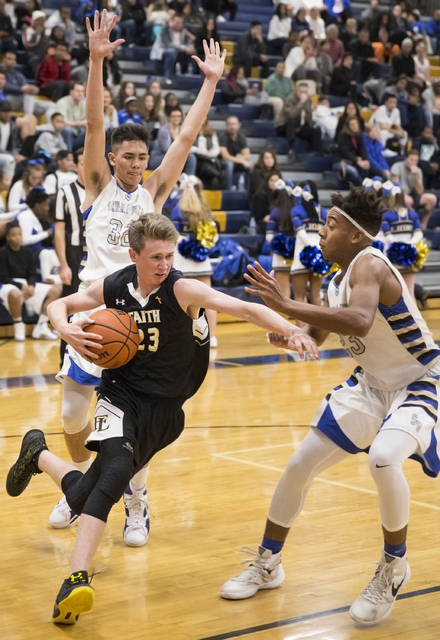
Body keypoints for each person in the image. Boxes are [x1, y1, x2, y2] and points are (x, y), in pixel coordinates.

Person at [6, 212, 318, 624]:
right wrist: (65, 329)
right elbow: (59, 304)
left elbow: (243, 308)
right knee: (115, 472)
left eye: (169, 255)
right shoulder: (116, 286)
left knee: (87, 492)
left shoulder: (182, 288)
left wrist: (291, 329)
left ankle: (38, 453)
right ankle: (76, 579)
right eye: (155, 257)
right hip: (119, 396)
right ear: (134, 254)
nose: (164, 265)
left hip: (166, 412)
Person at [220, 185, 440, 628]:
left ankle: (394, 566)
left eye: (331, 224)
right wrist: (292, 334)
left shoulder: (371, 265)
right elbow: (319, 331)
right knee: (300, 463)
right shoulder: (342, 276)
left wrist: (286, 302)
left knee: (382, 459)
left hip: (418, 382)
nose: (321, 231)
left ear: (356, 235)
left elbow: (359, 320)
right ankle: (268, 563)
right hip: (371, 385)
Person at [49, 11, 227, 543]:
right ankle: (80, 486)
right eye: (128, 157)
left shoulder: (154, 190)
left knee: (134, 425)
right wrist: (95, 60)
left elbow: (188, 136)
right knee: (72, 413)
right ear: (110, 160)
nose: (136, 163)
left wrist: (210, 82)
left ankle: (136, 502)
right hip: (92, 315)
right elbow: (94, 124)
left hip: (139, 319)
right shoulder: (97, 183)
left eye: (141, 157)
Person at [170, 176, 219, 345]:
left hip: (182, 261)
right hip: (202, 261)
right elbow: (213, 238)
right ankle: (211, 337)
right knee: (210, 299)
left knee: (183, 300)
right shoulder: (205, 212)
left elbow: (173, 237)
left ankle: (185, 338)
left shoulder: (177, 210)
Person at [0, 220, 60, 340]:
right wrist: (22, 286)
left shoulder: (27, 252)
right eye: (14, 235)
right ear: (8, 237)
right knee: (14, 294)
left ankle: (41, 326)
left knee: (55, 290)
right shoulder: (2, 252)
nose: (17, 237)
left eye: (19, 234)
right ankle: (18, 325)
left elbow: (31, 274)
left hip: (27, 283)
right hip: (9, 284)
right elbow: (4, 277)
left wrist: (31, 286)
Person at [289, 182, 327, 316]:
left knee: (299, 298)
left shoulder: (296, 210)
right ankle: (318, 331)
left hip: (302, 256)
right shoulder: (323, 211)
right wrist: (318, 251)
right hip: (319, 257)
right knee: (316, 295)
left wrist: (310, 248)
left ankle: (301, 332)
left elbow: (300, 232)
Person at [381, 180, 423, 299]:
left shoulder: (387, 215)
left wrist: (404, 245)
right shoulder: (411, 213)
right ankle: (414, 317)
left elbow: (388, 236)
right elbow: (418, 233)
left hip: (396, 253)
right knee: (409, 291)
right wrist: (409, 244)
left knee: (396, 291)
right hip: (405, 253)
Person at [391, 150, 437, 230]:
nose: (413, 163)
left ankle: (423, 226)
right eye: (411, 160)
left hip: (412, 194)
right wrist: (404, 195)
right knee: (408, 200)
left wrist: (415, 176)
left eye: (415, 161)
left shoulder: (418, 171)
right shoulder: (397, 166)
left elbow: (420, 191)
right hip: (398, 194)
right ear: (406, 159)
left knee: (432, 199)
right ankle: (411, 226)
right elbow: (395, 186)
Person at [2, 51, 55, 120]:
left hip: (23, 103)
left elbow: (26, 86)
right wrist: (22, 89)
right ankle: (28, 118)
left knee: (51, 105)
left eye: (14, 60)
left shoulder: (18, 75)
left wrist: (35, 89)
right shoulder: (1, 72)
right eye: (9, 59)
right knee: (27, 93)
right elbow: (4, 86)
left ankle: (49, 128)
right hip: (6, 100)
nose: (12, 62)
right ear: (4, 60)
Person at [265, 180, 295, 302]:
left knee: (283, 294)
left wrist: (280, 245)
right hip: (298, 256)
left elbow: (269, 237)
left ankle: (284, 321)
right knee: (300, 295)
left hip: (280, 257)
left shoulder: (275, 212)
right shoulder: (297, 211)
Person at [149, 107, 197, 176]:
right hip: (159, 158)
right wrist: (176, 139)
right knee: (176, 158)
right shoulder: (163, 131)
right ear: (169, 118)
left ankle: (189, 179)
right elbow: (167, 150)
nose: (176, 118)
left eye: (178, 116)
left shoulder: (182, 129)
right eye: (174, 116)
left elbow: (187, 145)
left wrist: (187, 150)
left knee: (191, 157)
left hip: (176, 156)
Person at [150, 13, 195, 79]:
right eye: (177, 22)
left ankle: (189, 75)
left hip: (178, 51)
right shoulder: (165, 29)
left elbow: (187, 43)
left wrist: (190, 47)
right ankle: (168, 76)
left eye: (180, 23)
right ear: (172, 21)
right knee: (171, 52)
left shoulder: (184, 31)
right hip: (161, 51)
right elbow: (167, 44)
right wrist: (184, 48)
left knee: (192, 52)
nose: (178, 25)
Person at [283, 83, 322, 158]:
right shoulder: (289, 99)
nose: (303, 94)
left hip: (301, 126)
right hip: (286, 126)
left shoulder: (308, 100)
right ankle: (291, 149)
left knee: (316, 131)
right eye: (301, 92)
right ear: (296, 91)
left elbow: (309, 116)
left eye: (305, 92)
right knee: (292, 122)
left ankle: (317, 154)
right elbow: (291, 115)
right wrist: (301, 102)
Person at [218, 115, 250, 189]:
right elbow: (225, 156)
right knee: (229, 164)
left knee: (249, 165)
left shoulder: (241, 137)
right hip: (220, 162)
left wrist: (241, 161)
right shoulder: (222, 136)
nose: (232, 126)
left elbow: (247, 155)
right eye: (229, 124)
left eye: (234, 124)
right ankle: (229, 189)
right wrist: (241, 160)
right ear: (226, 126)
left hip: (233, 160)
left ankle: (248, 190)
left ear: (239, 125)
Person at [55, 82, 86, 152]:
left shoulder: (84, 103)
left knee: (95, 131)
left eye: (82, 91)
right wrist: (81, 123)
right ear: (71, 91)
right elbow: (62, 122)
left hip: (79, 134)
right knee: (67, 130)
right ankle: (68, 155)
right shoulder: (62, 102)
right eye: (78, 91)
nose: (80, 94)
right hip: (64, 135)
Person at [191, 118, 221, 189]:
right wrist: (200, 151)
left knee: (214, 180)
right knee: (204, 164)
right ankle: (218, 175)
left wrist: (210, 153)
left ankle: (216, 176)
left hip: (209, 158)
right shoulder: (191, 131)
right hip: (197, 158)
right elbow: (189, 147)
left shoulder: (211, 132)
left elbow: (216, 148)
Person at [266, 61, 293, 127]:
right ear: (276, 69)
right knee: (279, 102)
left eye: (283, 68)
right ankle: (279, 123)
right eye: (279, 67)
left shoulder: (288, 80)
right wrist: (283, 98)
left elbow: (291, 92)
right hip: (271, 97)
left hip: (285, 98)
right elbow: (271, 92)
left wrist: (288, 99)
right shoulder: (271, 79)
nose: (281, 69)